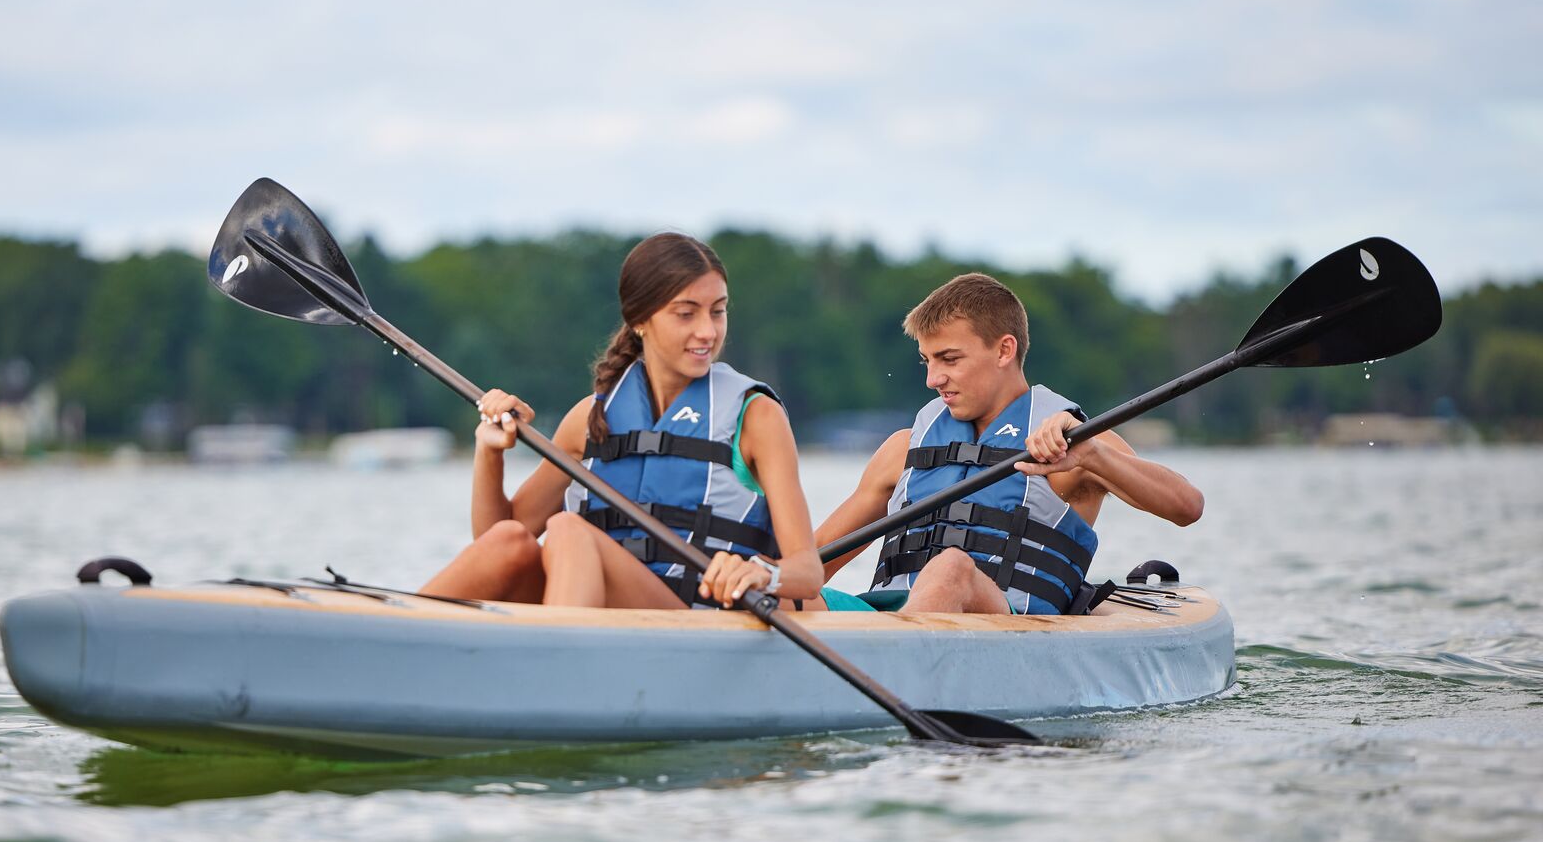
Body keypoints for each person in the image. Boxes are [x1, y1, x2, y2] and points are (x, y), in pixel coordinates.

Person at [422, 233, 823, 611]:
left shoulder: (755, 416)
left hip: (695, 616)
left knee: (567, 530)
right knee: (510, 541)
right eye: (686, 314)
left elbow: (807, 571)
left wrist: (760, 573)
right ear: (639, 320)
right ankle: (393, 628)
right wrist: (489, 453)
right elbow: (496, 538)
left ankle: (555, 663)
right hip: (602, 610)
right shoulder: (589, 418)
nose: (707, 331)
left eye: (718, 312)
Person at [809, 272, 1203, 616]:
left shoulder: (1073, 442)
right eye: (926, 361)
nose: (933, 379)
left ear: (1004, 350)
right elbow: (814, 559)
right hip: (890, 615)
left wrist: (1094, 456)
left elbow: (1187, 506)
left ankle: (896, 663)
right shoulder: (903, 448)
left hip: (1006, 623)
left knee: (952, 570)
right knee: (777, 588)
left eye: (949, 359)